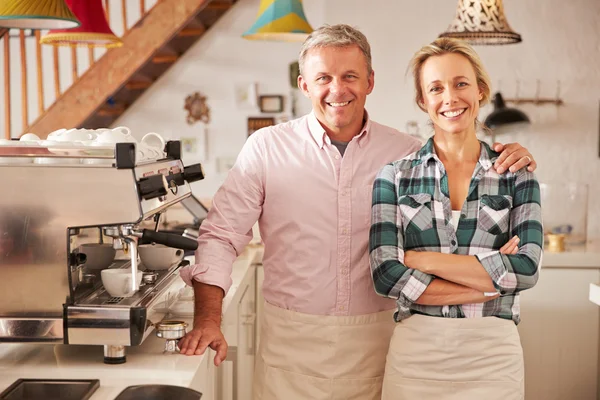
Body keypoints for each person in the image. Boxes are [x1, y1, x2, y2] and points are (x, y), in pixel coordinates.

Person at [178, 24, 537, 400]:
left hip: (381, 341)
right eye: (323, 78)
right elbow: (220, 235)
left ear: (370, 81)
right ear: (304, 85)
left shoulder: (407, 154)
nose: (338, 89)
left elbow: (454, 237)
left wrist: (511, 158)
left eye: (350, 76)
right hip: (291, 343)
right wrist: (207, 319)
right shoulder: (266, 148)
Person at [369, 37, 543, 400]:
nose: (450, 98)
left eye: (461, 84)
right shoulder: (395, 176)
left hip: (493, 355)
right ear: (423, 101)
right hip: (417, 353)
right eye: (436, 88)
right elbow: (386, 275)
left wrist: (423, 261)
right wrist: (490, 284)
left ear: (480, 91)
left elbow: (526, 269)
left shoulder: (516, 173)